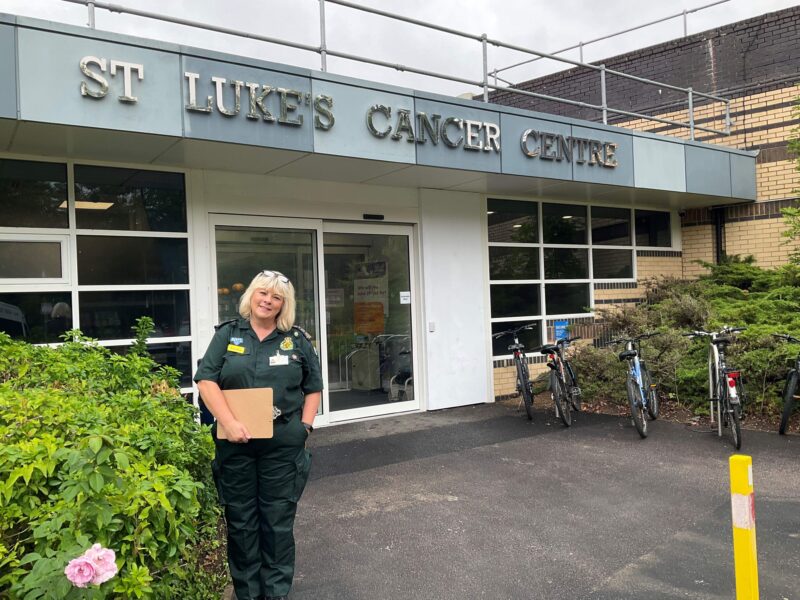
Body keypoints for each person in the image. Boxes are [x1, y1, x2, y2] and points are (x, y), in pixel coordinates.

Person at [195, 270, 322, 600]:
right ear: (251, 296)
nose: (268, 300)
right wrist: (230, 422)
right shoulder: (227, 335)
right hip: (235, 445)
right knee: (241, 522)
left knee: (277, 522)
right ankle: (248, 593)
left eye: (276, 297)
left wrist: (305, 427)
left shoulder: (295, 339)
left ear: (284, 305)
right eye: (263, 293)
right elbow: (206, 380)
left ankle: (276, 592)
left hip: (282, 446)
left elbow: (313, 387)